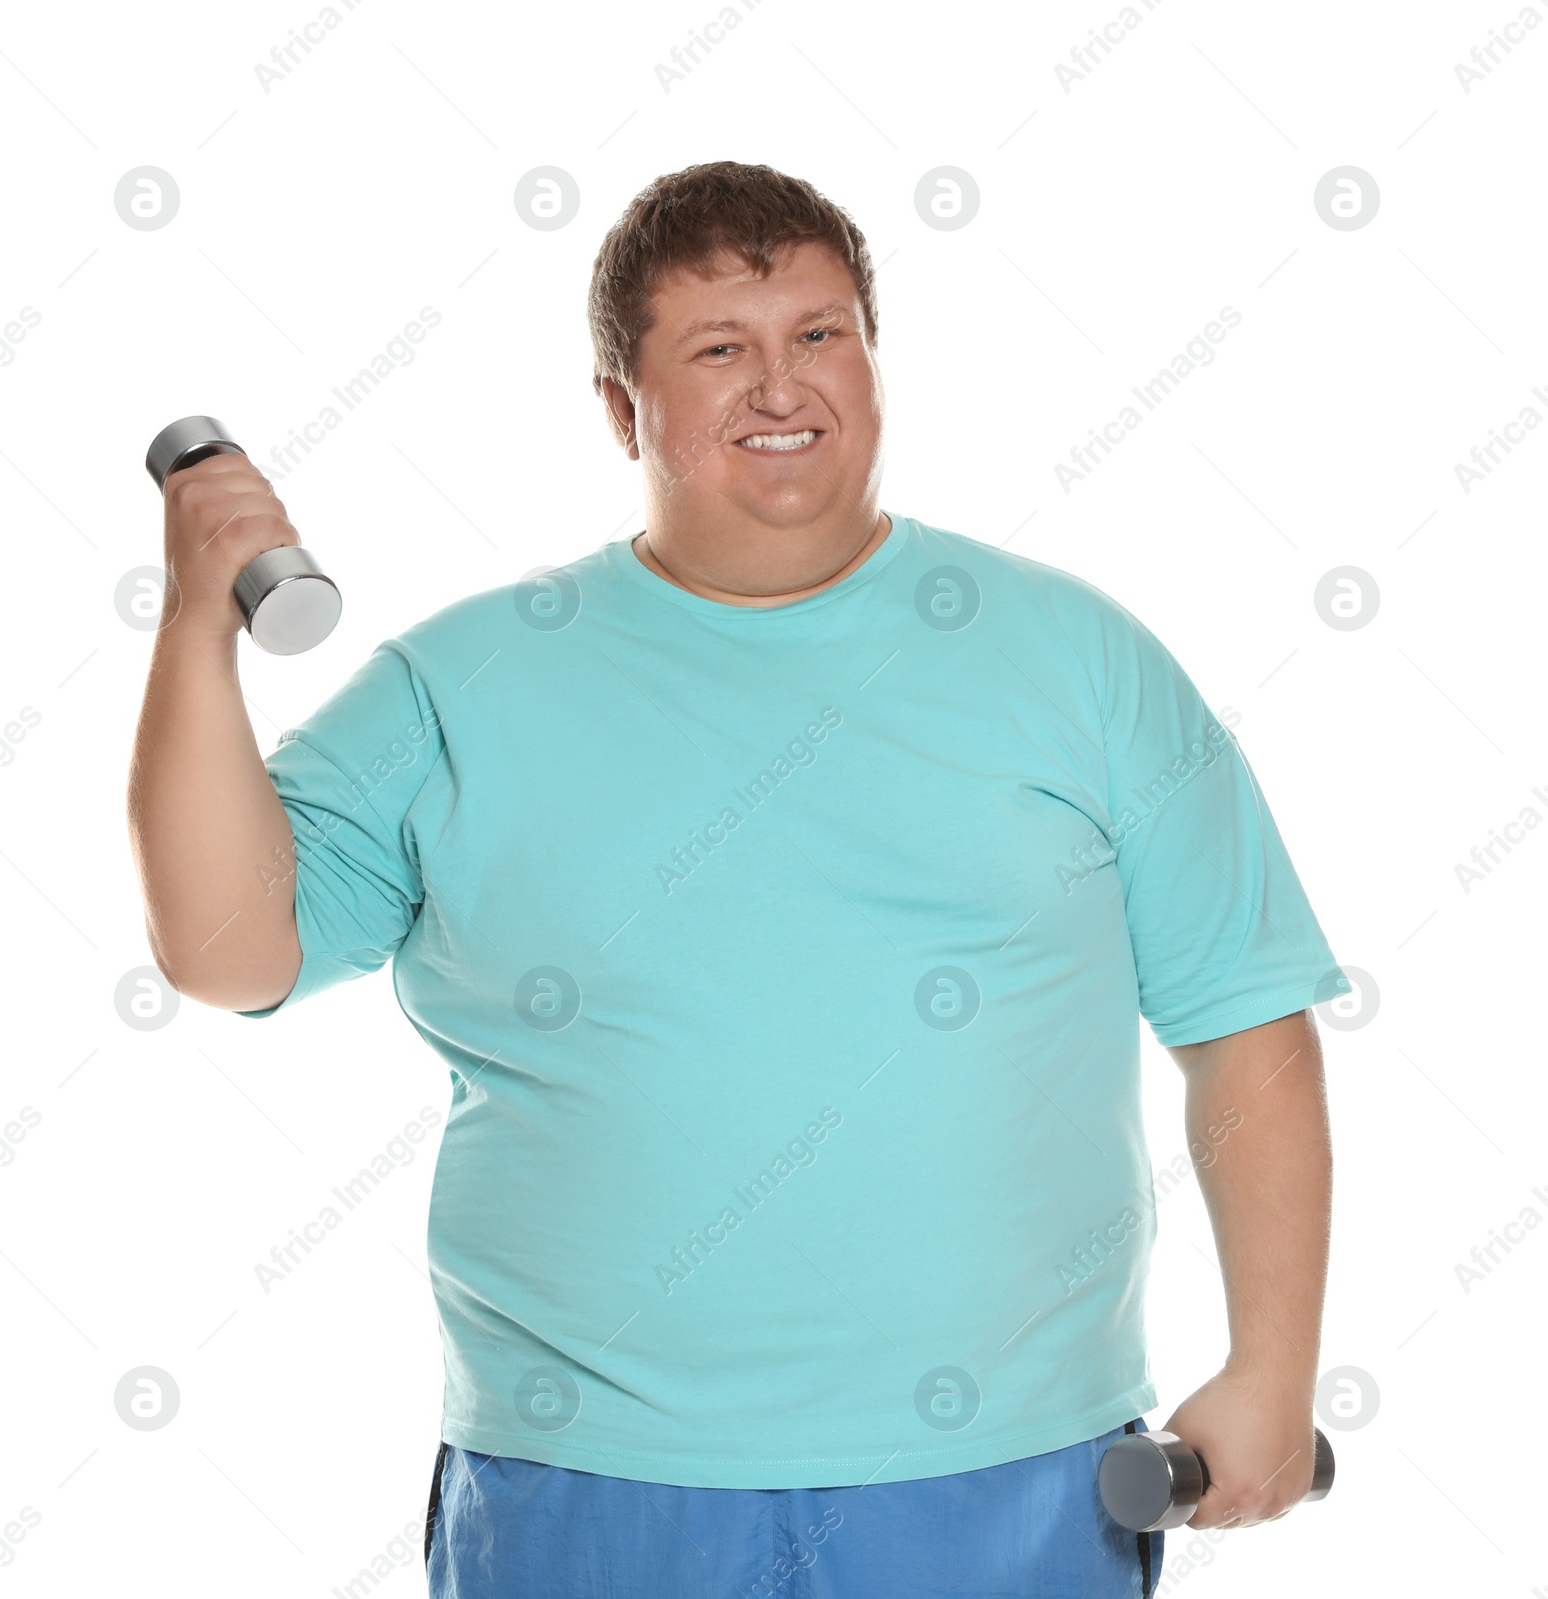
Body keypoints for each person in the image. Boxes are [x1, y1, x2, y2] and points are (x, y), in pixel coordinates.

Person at [127, 159, 1349, 1599]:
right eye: (722, 350)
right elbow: (224, 949)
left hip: (1008, 1476)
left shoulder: (1081, 661)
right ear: (618, 405)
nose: (783, 387)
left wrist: (1273, 1369)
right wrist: (200, 627)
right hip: (588, 1490)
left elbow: (1245, 1024)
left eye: (820, 335)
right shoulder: (462, 685)